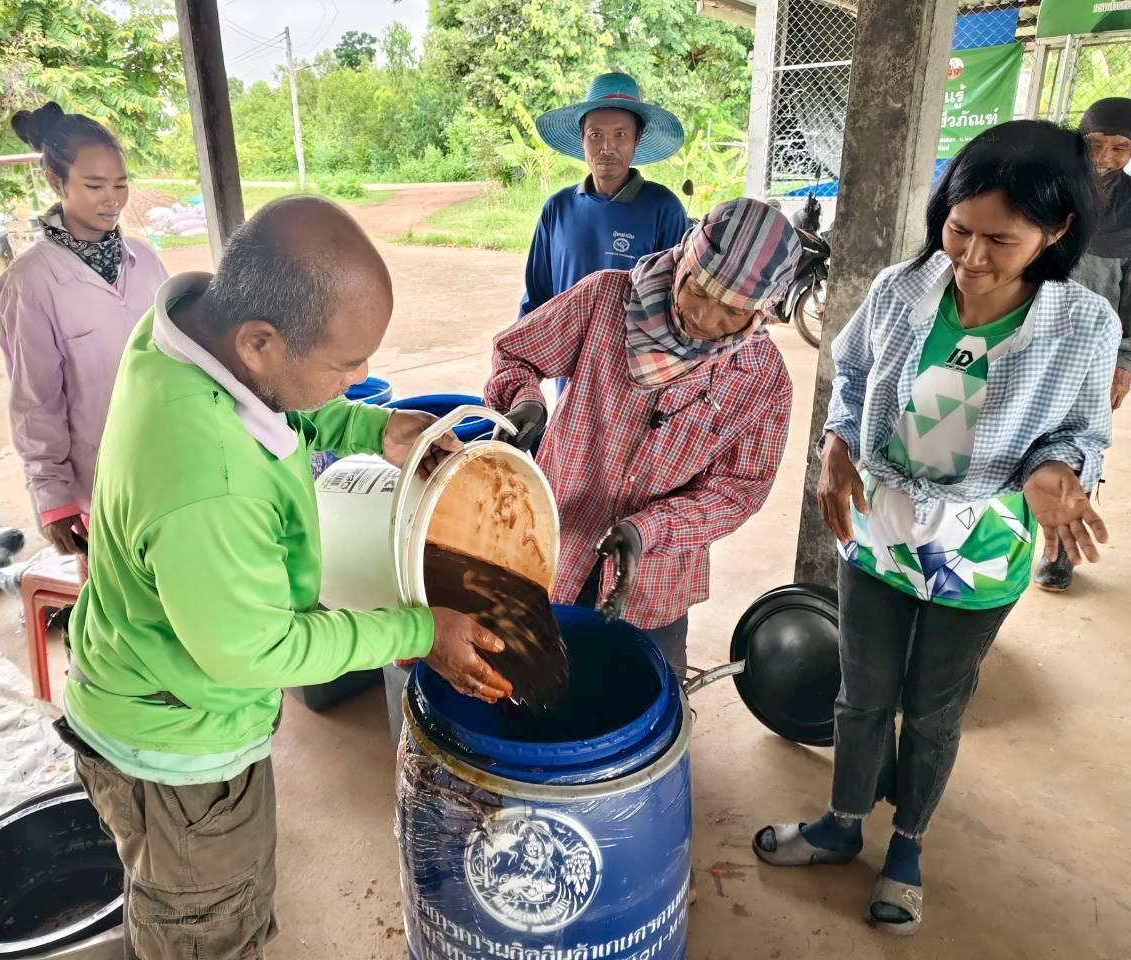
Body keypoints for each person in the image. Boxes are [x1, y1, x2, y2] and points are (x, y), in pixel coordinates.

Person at [59, 196, 514, 958]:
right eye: (347, 365)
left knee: (191, 901)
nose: (364, 375)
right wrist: (421, 630)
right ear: (261, 341)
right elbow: (256, 649)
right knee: (205, 924)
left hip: (145, 680)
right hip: (179, 749)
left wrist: (373, 425)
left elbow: (270, 408)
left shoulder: (188, 329)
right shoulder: (208, 484)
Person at [752, 121, 1119, 936]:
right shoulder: (902, 288)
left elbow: (1079, 435)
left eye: (1002, 239)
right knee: (861, 695)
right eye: (959, 228)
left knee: (931, 710)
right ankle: (843, 825)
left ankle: (907, 845)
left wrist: (1056, 472)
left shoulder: (1081, 325)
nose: (973, 258)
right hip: (880, 529)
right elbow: (850, 373)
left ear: (1055, 232)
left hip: (980, 550)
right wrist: (834, 447)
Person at [486, 197, 802, 672]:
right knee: (526, 676)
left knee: (641, 694)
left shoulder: (762, 380)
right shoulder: (604, 300)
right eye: (698, 288)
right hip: (550, 540)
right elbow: (516, 354)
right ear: (683, 259)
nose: (705, 317)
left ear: (761, 312)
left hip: (652, 574)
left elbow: (738, 490)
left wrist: (646, 529)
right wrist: (524, 400)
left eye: (732, 310)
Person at [0, 102, 167, 570]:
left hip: (172, 468)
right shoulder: (31, 281)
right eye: (94, 186)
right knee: (121, 620)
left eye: (120, 184)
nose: (111, 199)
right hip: (101, 493)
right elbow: (37, 400)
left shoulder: (146, 262)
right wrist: (52, 495)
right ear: (56, 182)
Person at [523, 72, 690, 400]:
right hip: (569, 377)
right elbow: (537, 299)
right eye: (595, 135)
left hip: (637, 382)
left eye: (620, 134)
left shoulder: (664, 209)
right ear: (582, 140)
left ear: (637, 139)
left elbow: (679, 308)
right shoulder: (557, 209)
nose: (607, 148)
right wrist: (522, 374)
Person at [1034, 97, 1131, 591]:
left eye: (1120, 147)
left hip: (1096, 351)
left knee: (1079, 443)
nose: (1105, 157)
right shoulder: (1052, 190)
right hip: (1033, 337)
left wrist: (1125, 362)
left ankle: (1060, 555)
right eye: (1096, 144)